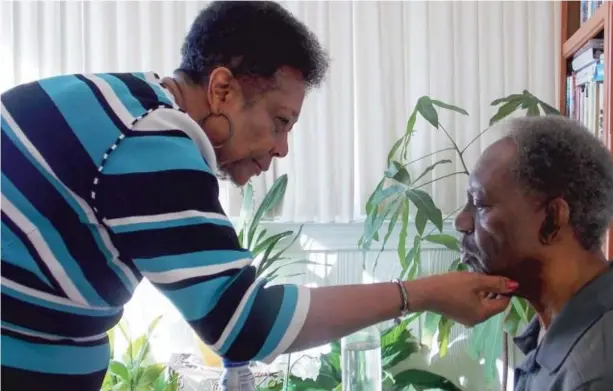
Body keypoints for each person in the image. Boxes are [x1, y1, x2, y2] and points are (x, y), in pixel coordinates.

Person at [0, 1, 518, 389]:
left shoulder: (127, 105)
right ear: (222, 90)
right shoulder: (152, 136)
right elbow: (242, 326)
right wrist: (422, 294)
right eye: (279, 122)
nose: (282, 149)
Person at [455, 115, 613, 391]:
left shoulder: (601, 377)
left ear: (552, 220)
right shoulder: (566, 331)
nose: (461, 222)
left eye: (479, 203)